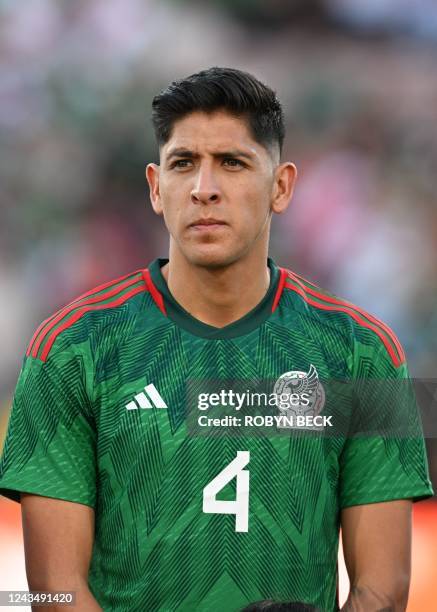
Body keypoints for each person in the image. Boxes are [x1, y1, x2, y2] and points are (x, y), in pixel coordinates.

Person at [0, 67, 433, 612]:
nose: (204, 189)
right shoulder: (69, 348)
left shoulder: (364, 352)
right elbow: (52, 593)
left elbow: (383, 591)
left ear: (281, 186)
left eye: (232, 162)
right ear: (157, 188)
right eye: (184, 164)